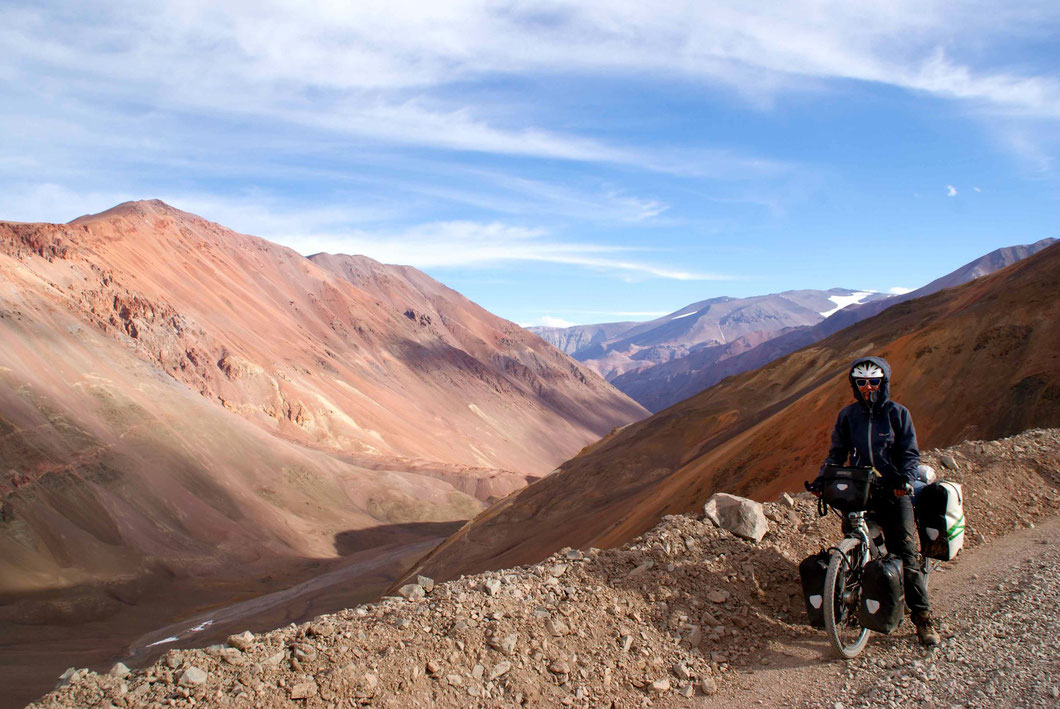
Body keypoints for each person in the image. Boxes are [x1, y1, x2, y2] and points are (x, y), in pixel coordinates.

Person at [816, 356, 940, 647]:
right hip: (861, 491)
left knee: (906, 558)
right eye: (861, 382)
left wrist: (905, 480)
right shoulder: (848, 416)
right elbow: (837, 452)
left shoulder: (898, 414)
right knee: (855, 545)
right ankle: (868, 601)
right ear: (854, 385)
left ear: (883, 382)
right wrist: (824, 479)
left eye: (874, 381)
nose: (868, 387)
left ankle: (923, 619)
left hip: (894, 492)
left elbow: (910, 454)